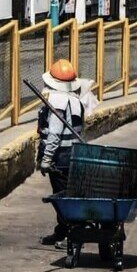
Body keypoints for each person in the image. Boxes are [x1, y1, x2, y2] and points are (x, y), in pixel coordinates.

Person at [37, 59, 93, 247]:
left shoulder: (57, 102)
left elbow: (54, 133)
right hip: (74, 154)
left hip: (61, 156)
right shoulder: (75, 99)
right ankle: (62, 231)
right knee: (67, 194)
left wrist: (46, 158)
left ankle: (72, 234)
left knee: (63, 197)